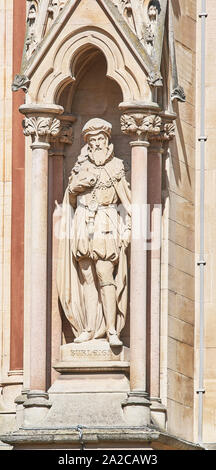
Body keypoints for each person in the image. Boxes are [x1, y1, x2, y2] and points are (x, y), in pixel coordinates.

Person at [57, 118, 131, 347]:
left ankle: (111, 330)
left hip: (106, 222)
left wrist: (128, 229)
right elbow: (69, 200)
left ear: (107, 141)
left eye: (101, 139)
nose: (97, 144)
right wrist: (76, 187)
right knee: (86, 278)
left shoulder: (116, 166)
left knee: (105, 276)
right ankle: (88, 328)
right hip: (81, 222)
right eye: (92, 140)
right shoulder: (80, 167)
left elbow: (128, 203)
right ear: (87, 144)